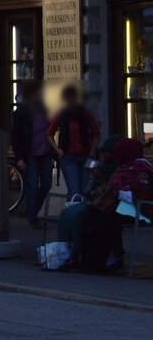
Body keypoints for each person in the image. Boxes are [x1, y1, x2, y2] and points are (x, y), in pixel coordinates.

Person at [79, 138, 153, 273]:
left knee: (106, 219)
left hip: (142, 209)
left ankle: (111, 258)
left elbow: (142, 194)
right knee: (91, 215)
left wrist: (116, 194)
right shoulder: (124, 166)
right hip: (121, 206)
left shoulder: (141, 169)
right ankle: (93, 261)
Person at [10, 81, 53, 228]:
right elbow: (15, 137)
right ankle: (32, 217)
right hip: (30, 154)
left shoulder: (46, 110)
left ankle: (33, 209)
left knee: (47, 184)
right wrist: (19, 158)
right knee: (32, 186)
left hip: (45, 152)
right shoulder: (20, 113)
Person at [47, 85, 100, 200]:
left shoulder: (86, 113)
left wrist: (92, 152)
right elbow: (50, 134)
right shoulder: (61, 114)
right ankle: (73, 214)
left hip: (86, 156)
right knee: (74, 191)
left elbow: (96, 134)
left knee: (85, 190)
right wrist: (58, 150)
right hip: (68, 157)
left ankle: (82, 215)